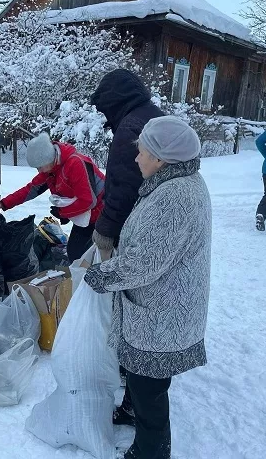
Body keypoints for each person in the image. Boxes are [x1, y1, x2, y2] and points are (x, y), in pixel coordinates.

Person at [84, 116, 212, 459]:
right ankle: (130, 411)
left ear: (161, 157)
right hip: (161, 304)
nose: (137, 158)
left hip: (162, 311)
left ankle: (150, 451)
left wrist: (101, 275)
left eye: (142, 152)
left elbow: (144, 262)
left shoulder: (175, 196)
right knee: (142, 378)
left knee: (149, 387)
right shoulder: (173, 183)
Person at [89, 69, 164, 427]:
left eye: (106, 110)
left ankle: (134, 391)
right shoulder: (154, 117)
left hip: (136, 235)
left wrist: (104, 233)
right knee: (148, 310)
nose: (105, 118)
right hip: (159, 233)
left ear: (115, 103)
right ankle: (138, 382)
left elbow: (121, 189)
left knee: (133, 307)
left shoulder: (129, 129)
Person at [0, 133, 105, 262]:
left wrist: (63, 213)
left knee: (93, 254)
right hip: (86, 216)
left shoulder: (75, 164)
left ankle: (91, 278)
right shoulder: (51, 169)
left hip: (104, 212)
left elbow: (88, 201)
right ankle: (84, 277)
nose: (39, 171)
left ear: (48, 158)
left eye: (39, 167)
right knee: (76, 254)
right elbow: (30, 189)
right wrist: (4, 203)